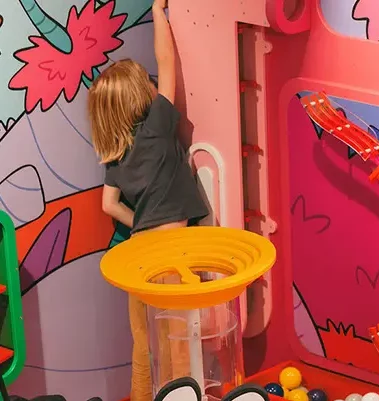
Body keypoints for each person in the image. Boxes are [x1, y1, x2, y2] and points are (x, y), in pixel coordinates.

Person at [88, 0, 208, 399]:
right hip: (171, 254)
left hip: (137, 254)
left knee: (144, 347)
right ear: (142, 95)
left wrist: (141, 222)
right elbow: (167, 60)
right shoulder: (156, 127)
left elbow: (109, 204)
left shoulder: (116, 154)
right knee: (176, 346)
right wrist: (159, 11)